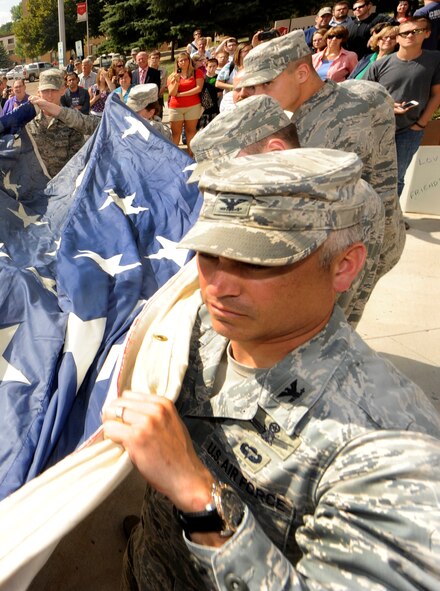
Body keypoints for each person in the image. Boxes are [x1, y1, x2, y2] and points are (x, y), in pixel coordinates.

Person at [107, 148, 440, 591]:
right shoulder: (187, 322)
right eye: (209, 255)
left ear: (344, 266)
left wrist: (196, 495)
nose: (218, 286)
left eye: (256, 261)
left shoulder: (389, 449)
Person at [190, 94, 384, 327]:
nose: (222, 182)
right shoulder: (280, 198)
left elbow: (317, 317)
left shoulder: (340, 201)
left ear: (275, 151)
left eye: (230, 168)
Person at [238, 30, 404, 288]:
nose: (258, 94)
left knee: (330, 326)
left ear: (302, 73)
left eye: (267, 83)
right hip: (384, 234)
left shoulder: (319, 137)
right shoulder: (361, 90)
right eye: (252, 87)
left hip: (351, 255)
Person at [364, 15, 440, 196]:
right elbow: (365, 96)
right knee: (370, 175)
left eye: (417, 31)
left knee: (396, 177)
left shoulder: (435, 60)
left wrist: (420, 124)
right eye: (405, 32)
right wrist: (388, 107)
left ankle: (391, 220)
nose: (409, 35)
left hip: (409, 130)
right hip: (377, 128)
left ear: (427, 34)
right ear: (397, 37)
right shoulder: (380, 65)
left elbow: (437, 95)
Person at [26, 69, 101, 177]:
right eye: (45, 91)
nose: (50, 96)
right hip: (40, 185)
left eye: (54, 90)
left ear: (62, 90)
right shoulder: (30, 120)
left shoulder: (71, 118)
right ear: (38, 92)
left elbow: (96, 126)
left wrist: (58, 111)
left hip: (67, 184)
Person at [166, 51, 204, 151]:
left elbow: (198, 88)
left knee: (190, 131)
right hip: (176, 107)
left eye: (185, 59)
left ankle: (191, 155)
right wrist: (176, 82)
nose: (183, 62)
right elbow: (172, 93)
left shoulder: (197, 72)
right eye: (180, 60)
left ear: (189, 60)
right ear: (177, 63)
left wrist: (181, 94)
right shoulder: (172, 76)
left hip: (193, 106)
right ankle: (173, 155)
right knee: (175, 133)